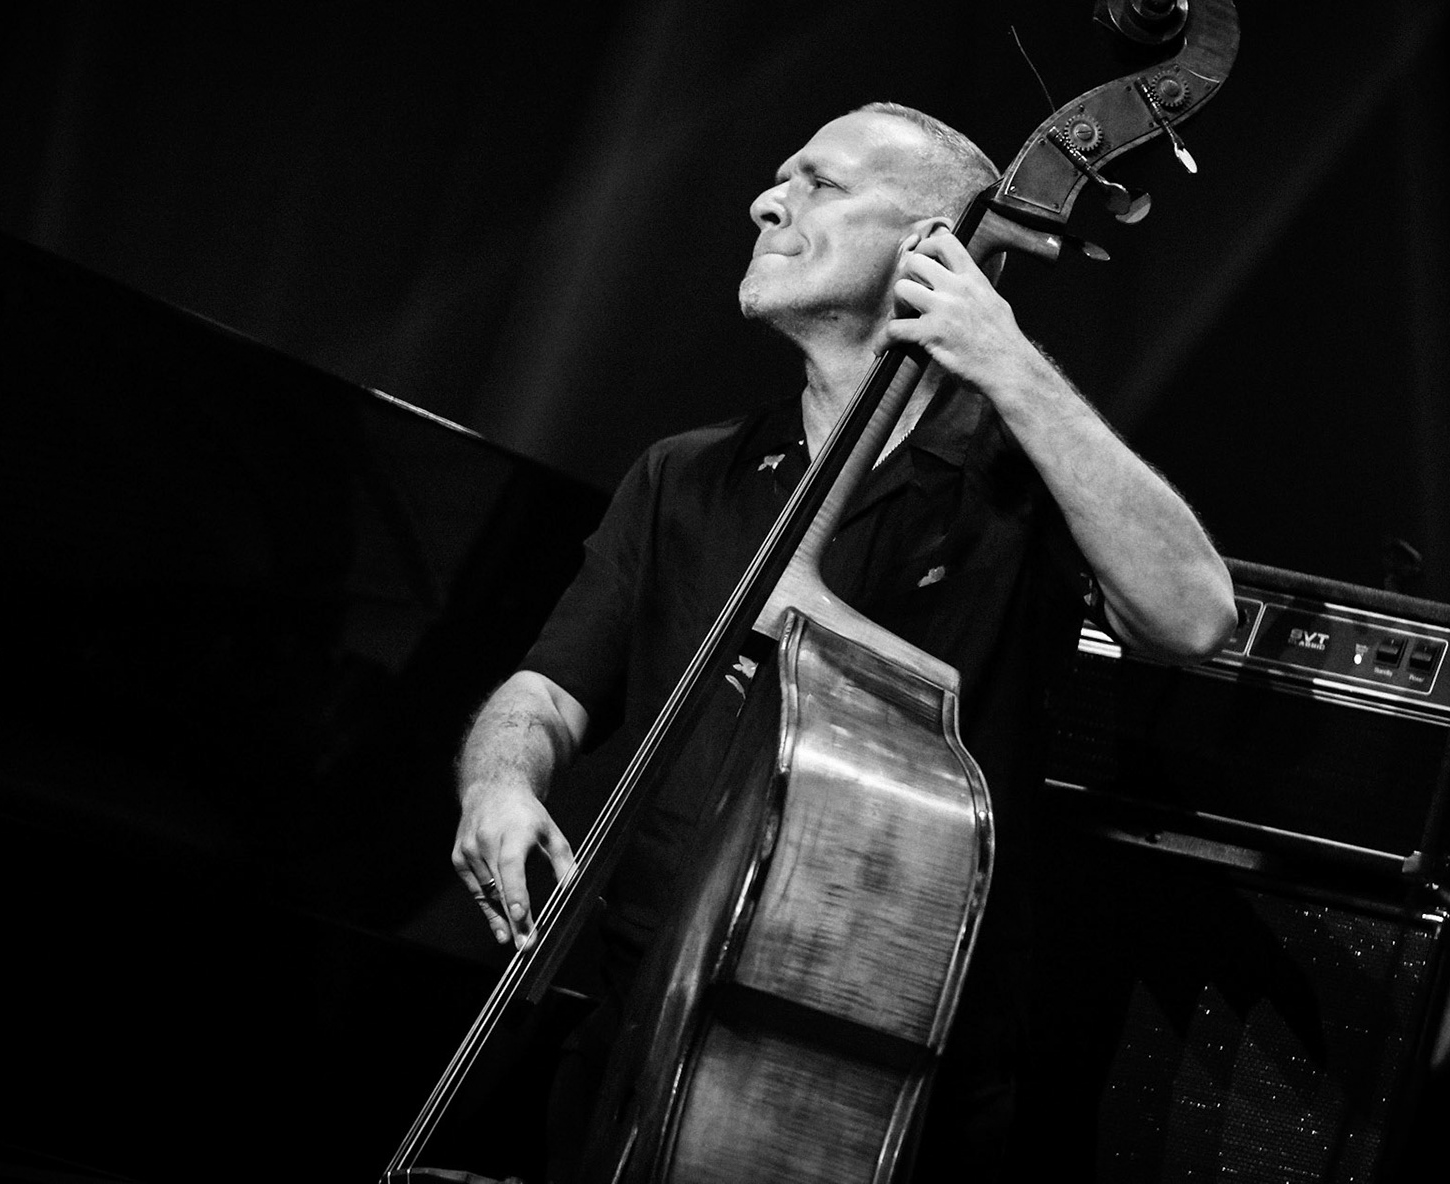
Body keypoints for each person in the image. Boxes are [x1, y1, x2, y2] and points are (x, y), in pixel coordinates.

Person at [449, 101, 1238, 1179]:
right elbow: (545, 689)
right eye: (782, 180)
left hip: (880, 1077)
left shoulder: (1017, 474)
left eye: (819, 184)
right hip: (636, 1036)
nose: (767, 202)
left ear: (930, 247)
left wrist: (1010, 365)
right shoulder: (686, 473)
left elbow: (1192, 615)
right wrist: (500, 782)